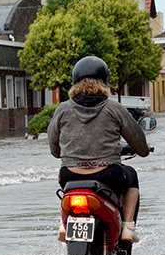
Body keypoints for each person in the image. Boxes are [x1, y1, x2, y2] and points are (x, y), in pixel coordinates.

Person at [48, 56, 150, 242]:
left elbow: (55, 151)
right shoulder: (114, 108)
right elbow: (141, 147)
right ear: (105, 81)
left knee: (65, 189)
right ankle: (127, 228)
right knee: (131, 174)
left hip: (70, 175)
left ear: (74, 82)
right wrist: (142, 148)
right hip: (108, 175)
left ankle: (64, 225)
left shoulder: (62, 109)